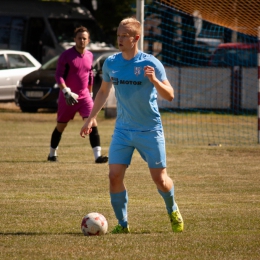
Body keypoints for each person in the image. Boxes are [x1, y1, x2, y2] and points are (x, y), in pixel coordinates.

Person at [80, 17, 183, 233]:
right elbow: (102, 92)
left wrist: (154, 81)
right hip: (123, 131)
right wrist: (90, 118)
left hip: (149, 130)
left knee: (160, 179)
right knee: (114, 176)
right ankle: (122, 224)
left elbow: (170, 95)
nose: (120, 39)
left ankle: (172, 208)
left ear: (136, 38)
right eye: (118, 35)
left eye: (124, 36)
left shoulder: (151, 63)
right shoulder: (111, 63)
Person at [48, 26, 108, 164]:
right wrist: (65, 91)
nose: (82, 40)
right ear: (74, 39)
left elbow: (90, 75)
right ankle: (52, 154)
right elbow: (58, 75)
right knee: (61, 126)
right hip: (68, 97)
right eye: (79, 38)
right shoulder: (66, 55)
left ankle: (98, 156)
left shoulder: (90, 55)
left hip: (85, 96)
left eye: (84, 38)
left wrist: (91, 92)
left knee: (92, 123)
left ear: (88, 40)